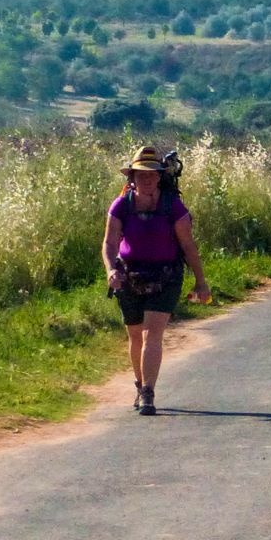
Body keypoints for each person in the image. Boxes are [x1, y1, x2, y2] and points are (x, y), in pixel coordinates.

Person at [101, 145, 210, 417]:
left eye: (152, 175)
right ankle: (140, 385)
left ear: (160, 177)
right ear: (132, 178)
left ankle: (148, 391)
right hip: (129, 276)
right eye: (141, 175)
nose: (147, 180)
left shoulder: (172, 206)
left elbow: (188, 245)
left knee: (152, 332)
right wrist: (110, 270)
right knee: (135, 334)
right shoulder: (121, 206)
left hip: (166, 276)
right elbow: (110, 242)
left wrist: (200, 281)